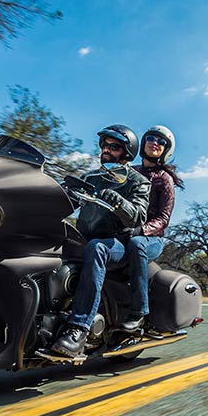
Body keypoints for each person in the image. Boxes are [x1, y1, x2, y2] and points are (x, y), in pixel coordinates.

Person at [40, 124, 150, 360]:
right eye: (105, 145)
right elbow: (65, 201)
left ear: (127, 152)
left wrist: (119, 201)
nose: (107, 150)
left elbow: (139, 216)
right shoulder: (91, 177)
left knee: (97, 248)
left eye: (115, 147)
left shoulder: (138, 181)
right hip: (83, 238)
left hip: (116, 244)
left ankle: (79, 327)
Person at [119, 125, 184, 332]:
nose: (155, 143)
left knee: (137, 244)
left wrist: (141, 230)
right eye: (151, 138)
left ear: (166, 150)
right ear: (143, 142)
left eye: (161, 141)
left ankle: (140, 312)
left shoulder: (164, 179)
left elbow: (164, 219)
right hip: (124, 232)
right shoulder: (131, 172)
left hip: (151, 238)